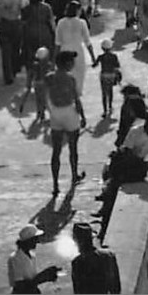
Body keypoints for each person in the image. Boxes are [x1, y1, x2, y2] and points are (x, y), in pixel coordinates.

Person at [96, 110, 148, 246]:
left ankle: (104, 218)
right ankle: (104, 216)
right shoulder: (135, 131)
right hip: (125, 163)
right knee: (113, 188)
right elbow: (127, 152)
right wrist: (141, 163)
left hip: (138, 165)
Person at [45, 50, 87, 196]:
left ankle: (55, 185)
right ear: (67, 63)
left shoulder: (49, 77)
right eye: (72, 61)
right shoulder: (71, 78)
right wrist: (83, 116)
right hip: (69, 113)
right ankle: (74, 175)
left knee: (56, 150)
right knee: (73, 148)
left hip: (55, 114)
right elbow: (76, 99)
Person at [54, 1, 95, 93]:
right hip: (78, 52)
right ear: (77, 10)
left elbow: (57, 43)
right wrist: (93, 57)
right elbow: (87, 42)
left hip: (64, 52)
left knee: (65, 75)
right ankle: (76, 95)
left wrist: (54, 59)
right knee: (78, 76)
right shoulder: (82, 23)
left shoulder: (61, 22)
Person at [68, 222, 120, 294]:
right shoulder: (109, 255)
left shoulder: (77, 263)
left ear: (77, 241)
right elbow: (116, 288)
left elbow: (78, 291)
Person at [7, 225, 59, 294]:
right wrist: (44, 276)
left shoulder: (32, 255)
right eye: (35, 239)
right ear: (28, 240)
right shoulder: (16, 258)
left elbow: (32, 279)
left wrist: (47, 275)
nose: (38, 241)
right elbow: (21, 287)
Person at [0, 0, 26, 85]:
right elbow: (23, 10)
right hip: (15, 24)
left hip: (4, 24)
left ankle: (8, 76)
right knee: (15, 49)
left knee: (5, 51)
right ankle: (14, 69)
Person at [19, 46, 51, 119]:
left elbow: (30, 76)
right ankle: (42, 113)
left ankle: (39, 113)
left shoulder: (34, 65)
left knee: (38, 99)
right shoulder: (48, 65)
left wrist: (28, 84)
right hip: (44, 84)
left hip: (36, 83)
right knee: (44, 99)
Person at [95, 39, 121, 119]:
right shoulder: (114, 56)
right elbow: (117, 66)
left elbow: (94, 64)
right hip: (111, 76)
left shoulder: (101, 57)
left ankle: (105, 110)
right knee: (110, 91)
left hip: (104, 76)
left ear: (102, 48)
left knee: (104, 93)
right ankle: (110, 107)